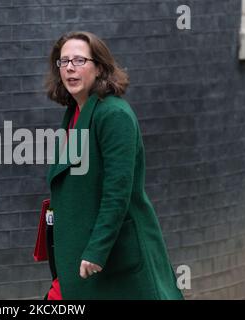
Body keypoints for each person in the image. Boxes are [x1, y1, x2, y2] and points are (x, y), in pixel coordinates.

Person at [43, 31, 184, 300]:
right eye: (63, 62)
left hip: (111, 254)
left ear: (99, 68)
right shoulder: (76, 110)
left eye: (80, 60)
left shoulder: (114, 114)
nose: (70, 67)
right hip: (79, 248)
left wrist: (97, 250)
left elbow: (117, 192)